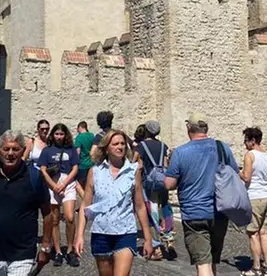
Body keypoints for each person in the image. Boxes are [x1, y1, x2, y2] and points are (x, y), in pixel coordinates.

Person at [0, 130, 52, 275]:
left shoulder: (34, 177)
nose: (10, 153)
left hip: (22, 254)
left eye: (15, 149)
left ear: (23, 151)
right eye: (6, 149)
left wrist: (45, 246)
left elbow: (47, 213)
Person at [165, 114, 239, 276]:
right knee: (212, 261)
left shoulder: (181, 152)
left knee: (203, 264)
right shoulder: (222, 147)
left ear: (188, 128)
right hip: (220, 211)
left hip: (194, 213)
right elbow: (235, 173)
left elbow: (169, 184)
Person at [75, 130, 153, 276]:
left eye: (123, 144)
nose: (120, 147)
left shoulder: (133, 171)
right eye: (115, 144)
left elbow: (140, 206)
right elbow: (85, 204)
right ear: (106, 148)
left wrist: (148, 238)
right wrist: (79, 236)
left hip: (125, 232)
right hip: (101, 232)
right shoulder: (95, 171)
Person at [36, 123, 80, 267]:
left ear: (65, 135)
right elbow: (42, 169)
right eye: (57, 134)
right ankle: (58, 252)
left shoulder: (71, 150)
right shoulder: (47, 151)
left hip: (67, 183)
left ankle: (69, 249)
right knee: (54, 220)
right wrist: (54, 186)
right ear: (53, 135)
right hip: (52, 184)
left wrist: (64, 184)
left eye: (61, 134)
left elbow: (75, 168)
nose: (59, 137)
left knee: (70, 217)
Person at [133, 120, 175, 261]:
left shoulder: (142, 146)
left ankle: (156, 247)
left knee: (151, 212)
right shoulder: (163, 146)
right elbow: (165, 164)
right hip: (162, 180)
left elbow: (135, 163)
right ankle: (169, 239)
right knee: (166, 208)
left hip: (148, 182)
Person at [241, 127, 267, 276]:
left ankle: (256, 267)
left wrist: (236, 172)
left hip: (254, 197)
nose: (244, 144)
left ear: (252, 141)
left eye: (246, 141)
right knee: (264, 232)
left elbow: (247, 177)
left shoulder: (250, 155)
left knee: (253, 233)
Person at [75, 121, 95, 188]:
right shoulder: (92, 135)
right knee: (90, 184)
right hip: (91, 164)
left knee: (80, 184)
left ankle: (83, 197)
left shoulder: (79, 137)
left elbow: (78, 152)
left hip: (82, 165)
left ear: (80, 127)